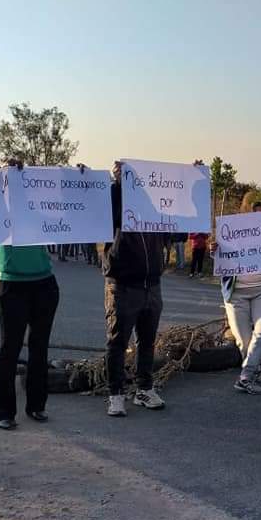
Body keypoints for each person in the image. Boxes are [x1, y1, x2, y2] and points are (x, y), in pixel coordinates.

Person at [0, 162, 61, 430]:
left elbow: (69, 206)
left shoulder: (38, 205)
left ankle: (37, 405)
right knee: (10, 348)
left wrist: (81, 179)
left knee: (39, 348)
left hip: (45, 283)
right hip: (13, 284)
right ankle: (5, 412)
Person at [102, 161, 168, 416]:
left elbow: (179, 230)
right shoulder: (117, 205)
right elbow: (106, 211)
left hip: (152, 285)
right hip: (123, 285)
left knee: (147, 342)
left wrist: (192, 177)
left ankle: (144, 389)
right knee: (117, 342)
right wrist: (117, 185)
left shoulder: (158, 209)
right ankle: (116, 394)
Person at [210, 201, 261, 395]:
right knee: (244, 340)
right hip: (236, 294)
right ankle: (253, 370)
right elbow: (220, 258)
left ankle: (245, 377)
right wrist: (213, 251)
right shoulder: (236, 232)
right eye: (259, 214)